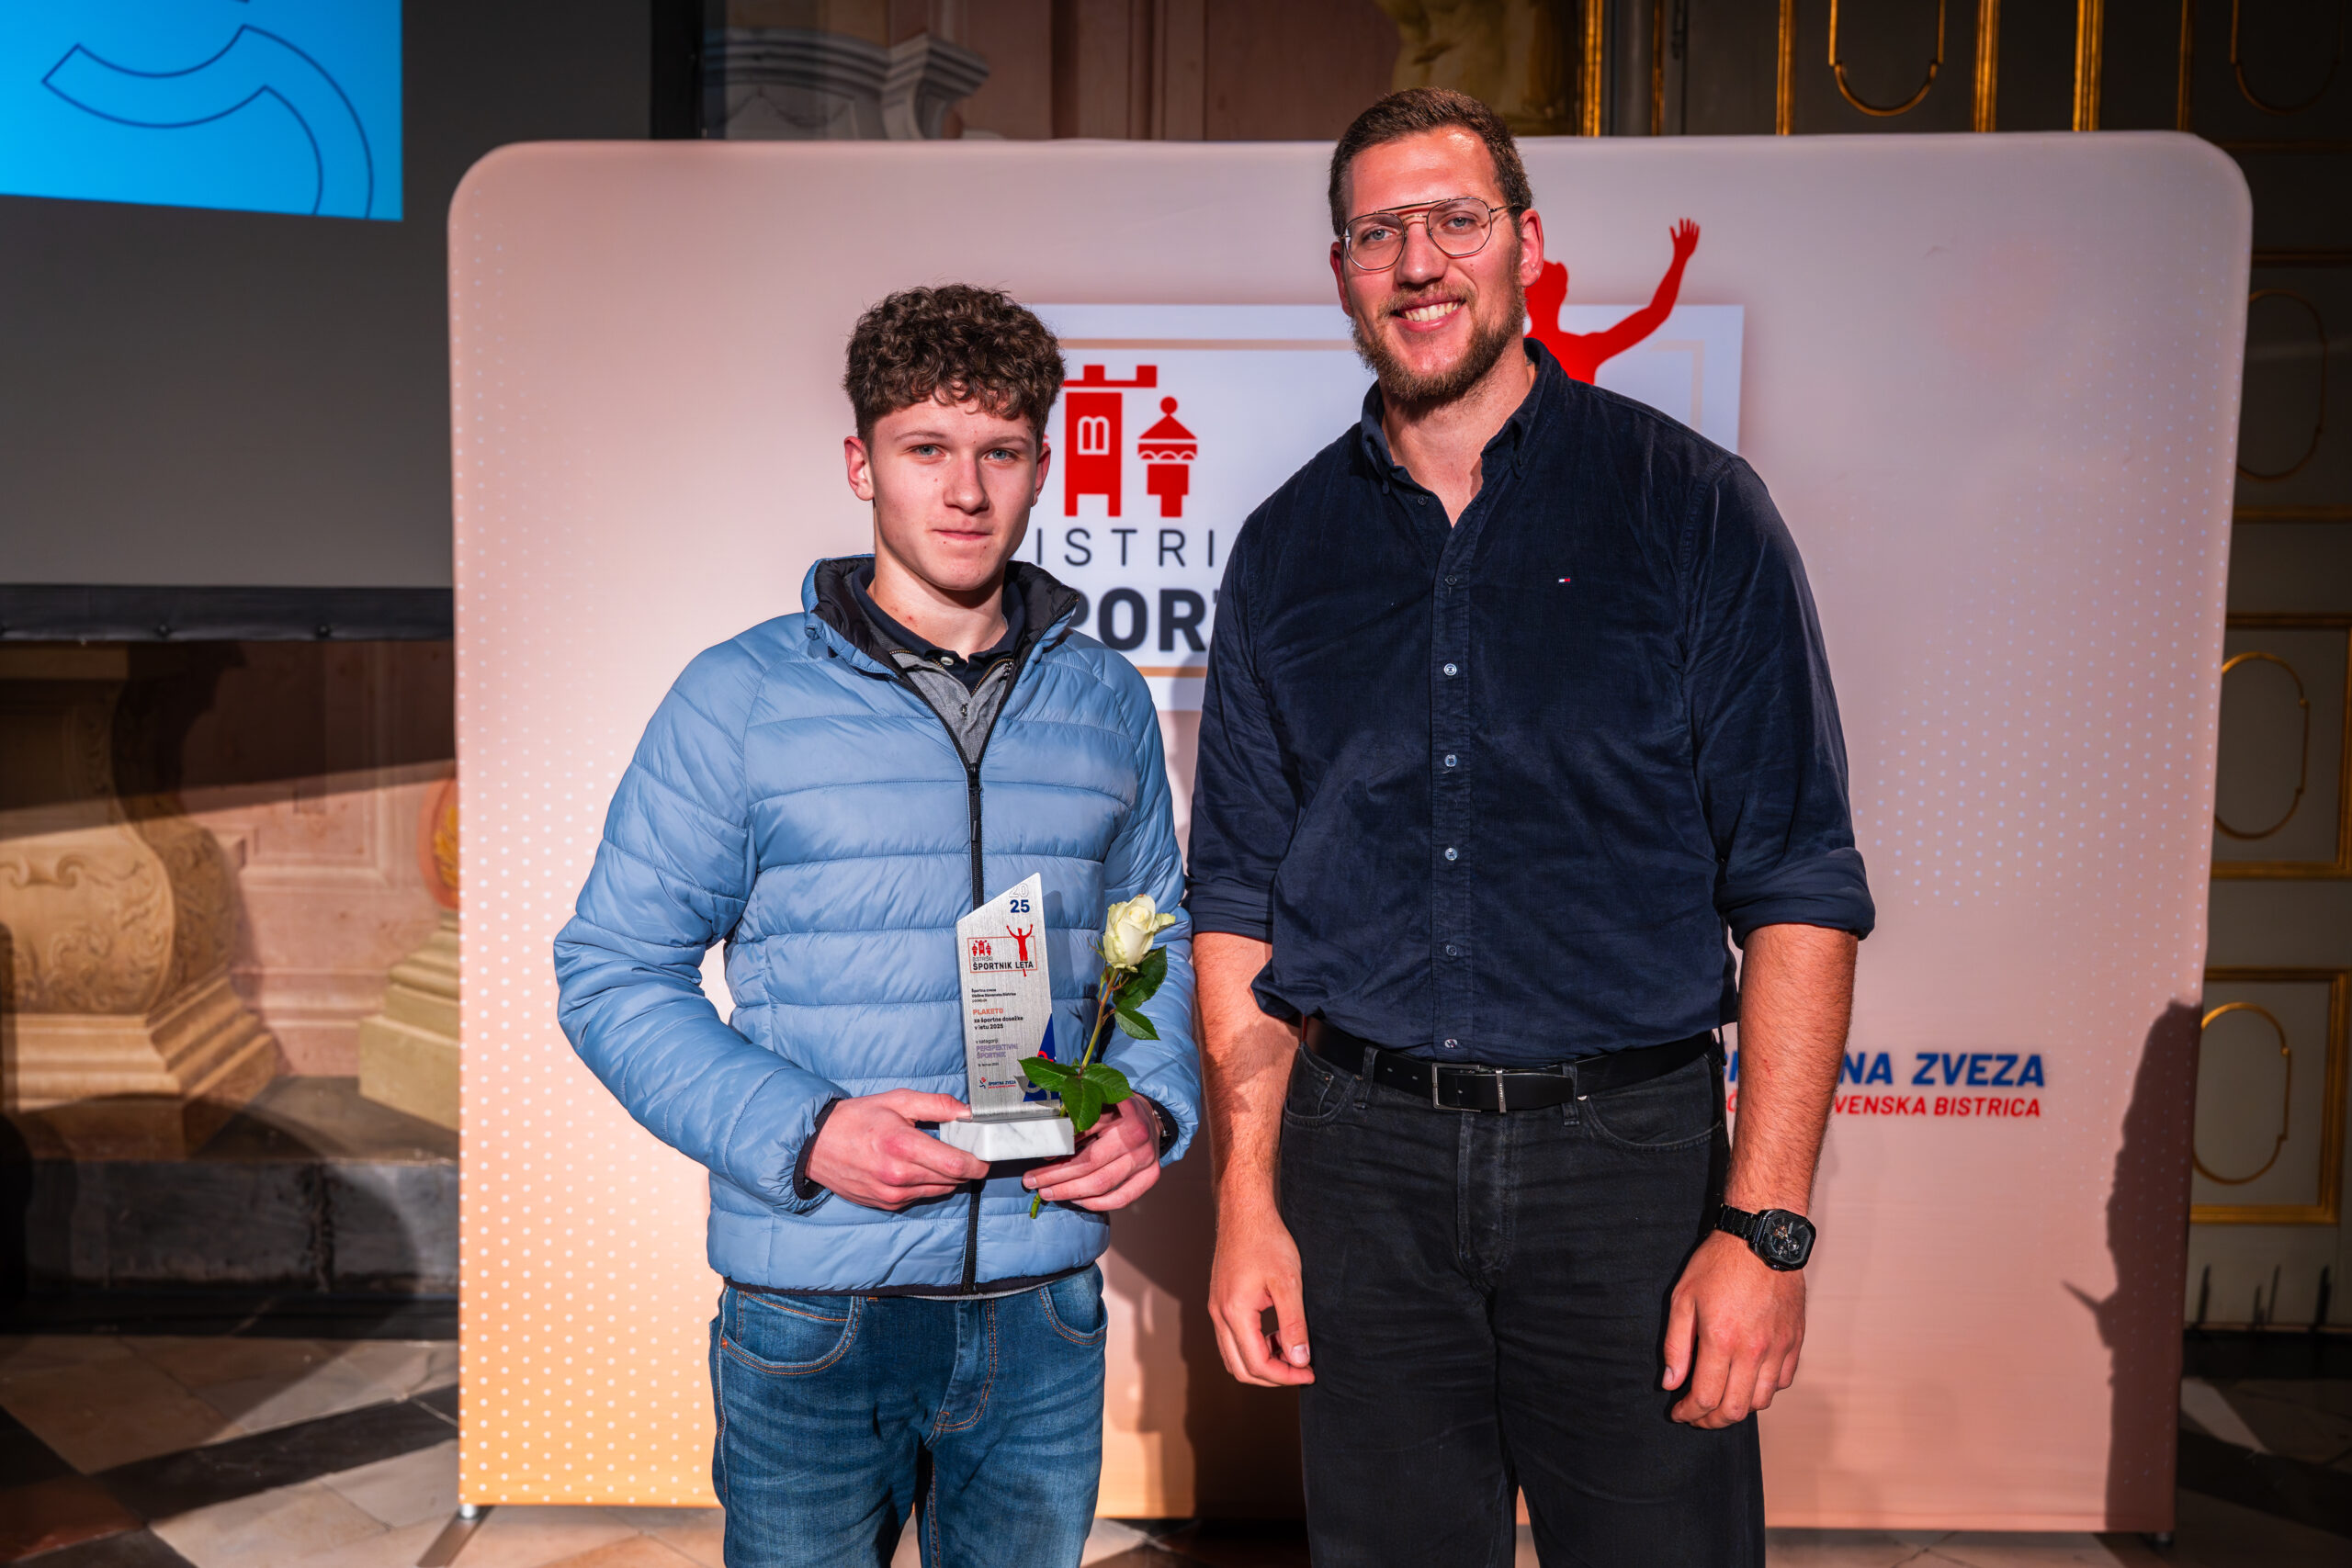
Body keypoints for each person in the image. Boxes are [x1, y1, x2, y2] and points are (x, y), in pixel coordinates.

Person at [1187, 88, 1872, 1566]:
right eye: (1380, 233)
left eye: (1456, 221)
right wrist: (1247, 1202)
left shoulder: (1693, 509)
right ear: (1341, 272)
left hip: (1629, 1167)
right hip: (1360, 1165)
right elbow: (1237, 898)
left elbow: (1799, 883)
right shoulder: (1287, 548)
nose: (1418, 263)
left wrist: (1764, 1231)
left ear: (1527, 246)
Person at [554, 285, 1200, 1568]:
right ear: (862, 465)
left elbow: (1158, 935)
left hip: (1042, 1302)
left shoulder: (1103, 696)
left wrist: (1156, 1103)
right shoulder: (739, 697)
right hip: (816, 1308)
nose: (965, 491)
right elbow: (612, 972)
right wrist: (805, 1133)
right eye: (926, 449)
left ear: (1041, 467)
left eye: (1000, 451)